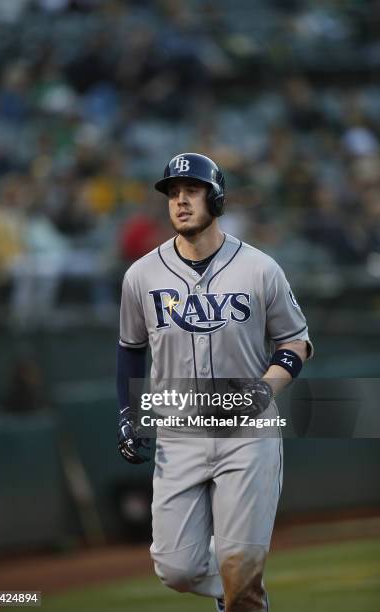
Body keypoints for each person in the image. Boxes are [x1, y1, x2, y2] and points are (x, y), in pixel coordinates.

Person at [116, 153, 313, 611]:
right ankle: (239, 589)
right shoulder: (141, 276)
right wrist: (128, 414)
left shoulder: (260, 268)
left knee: (239, 562)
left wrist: (265, 390)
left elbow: (296, 341)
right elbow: (130, 348)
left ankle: (242, 589)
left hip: (247, 434)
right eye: (172, 193)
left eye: (192, 190)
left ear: (216, 197)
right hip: (178, 433)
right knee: (176, 568)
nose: (180, 201)